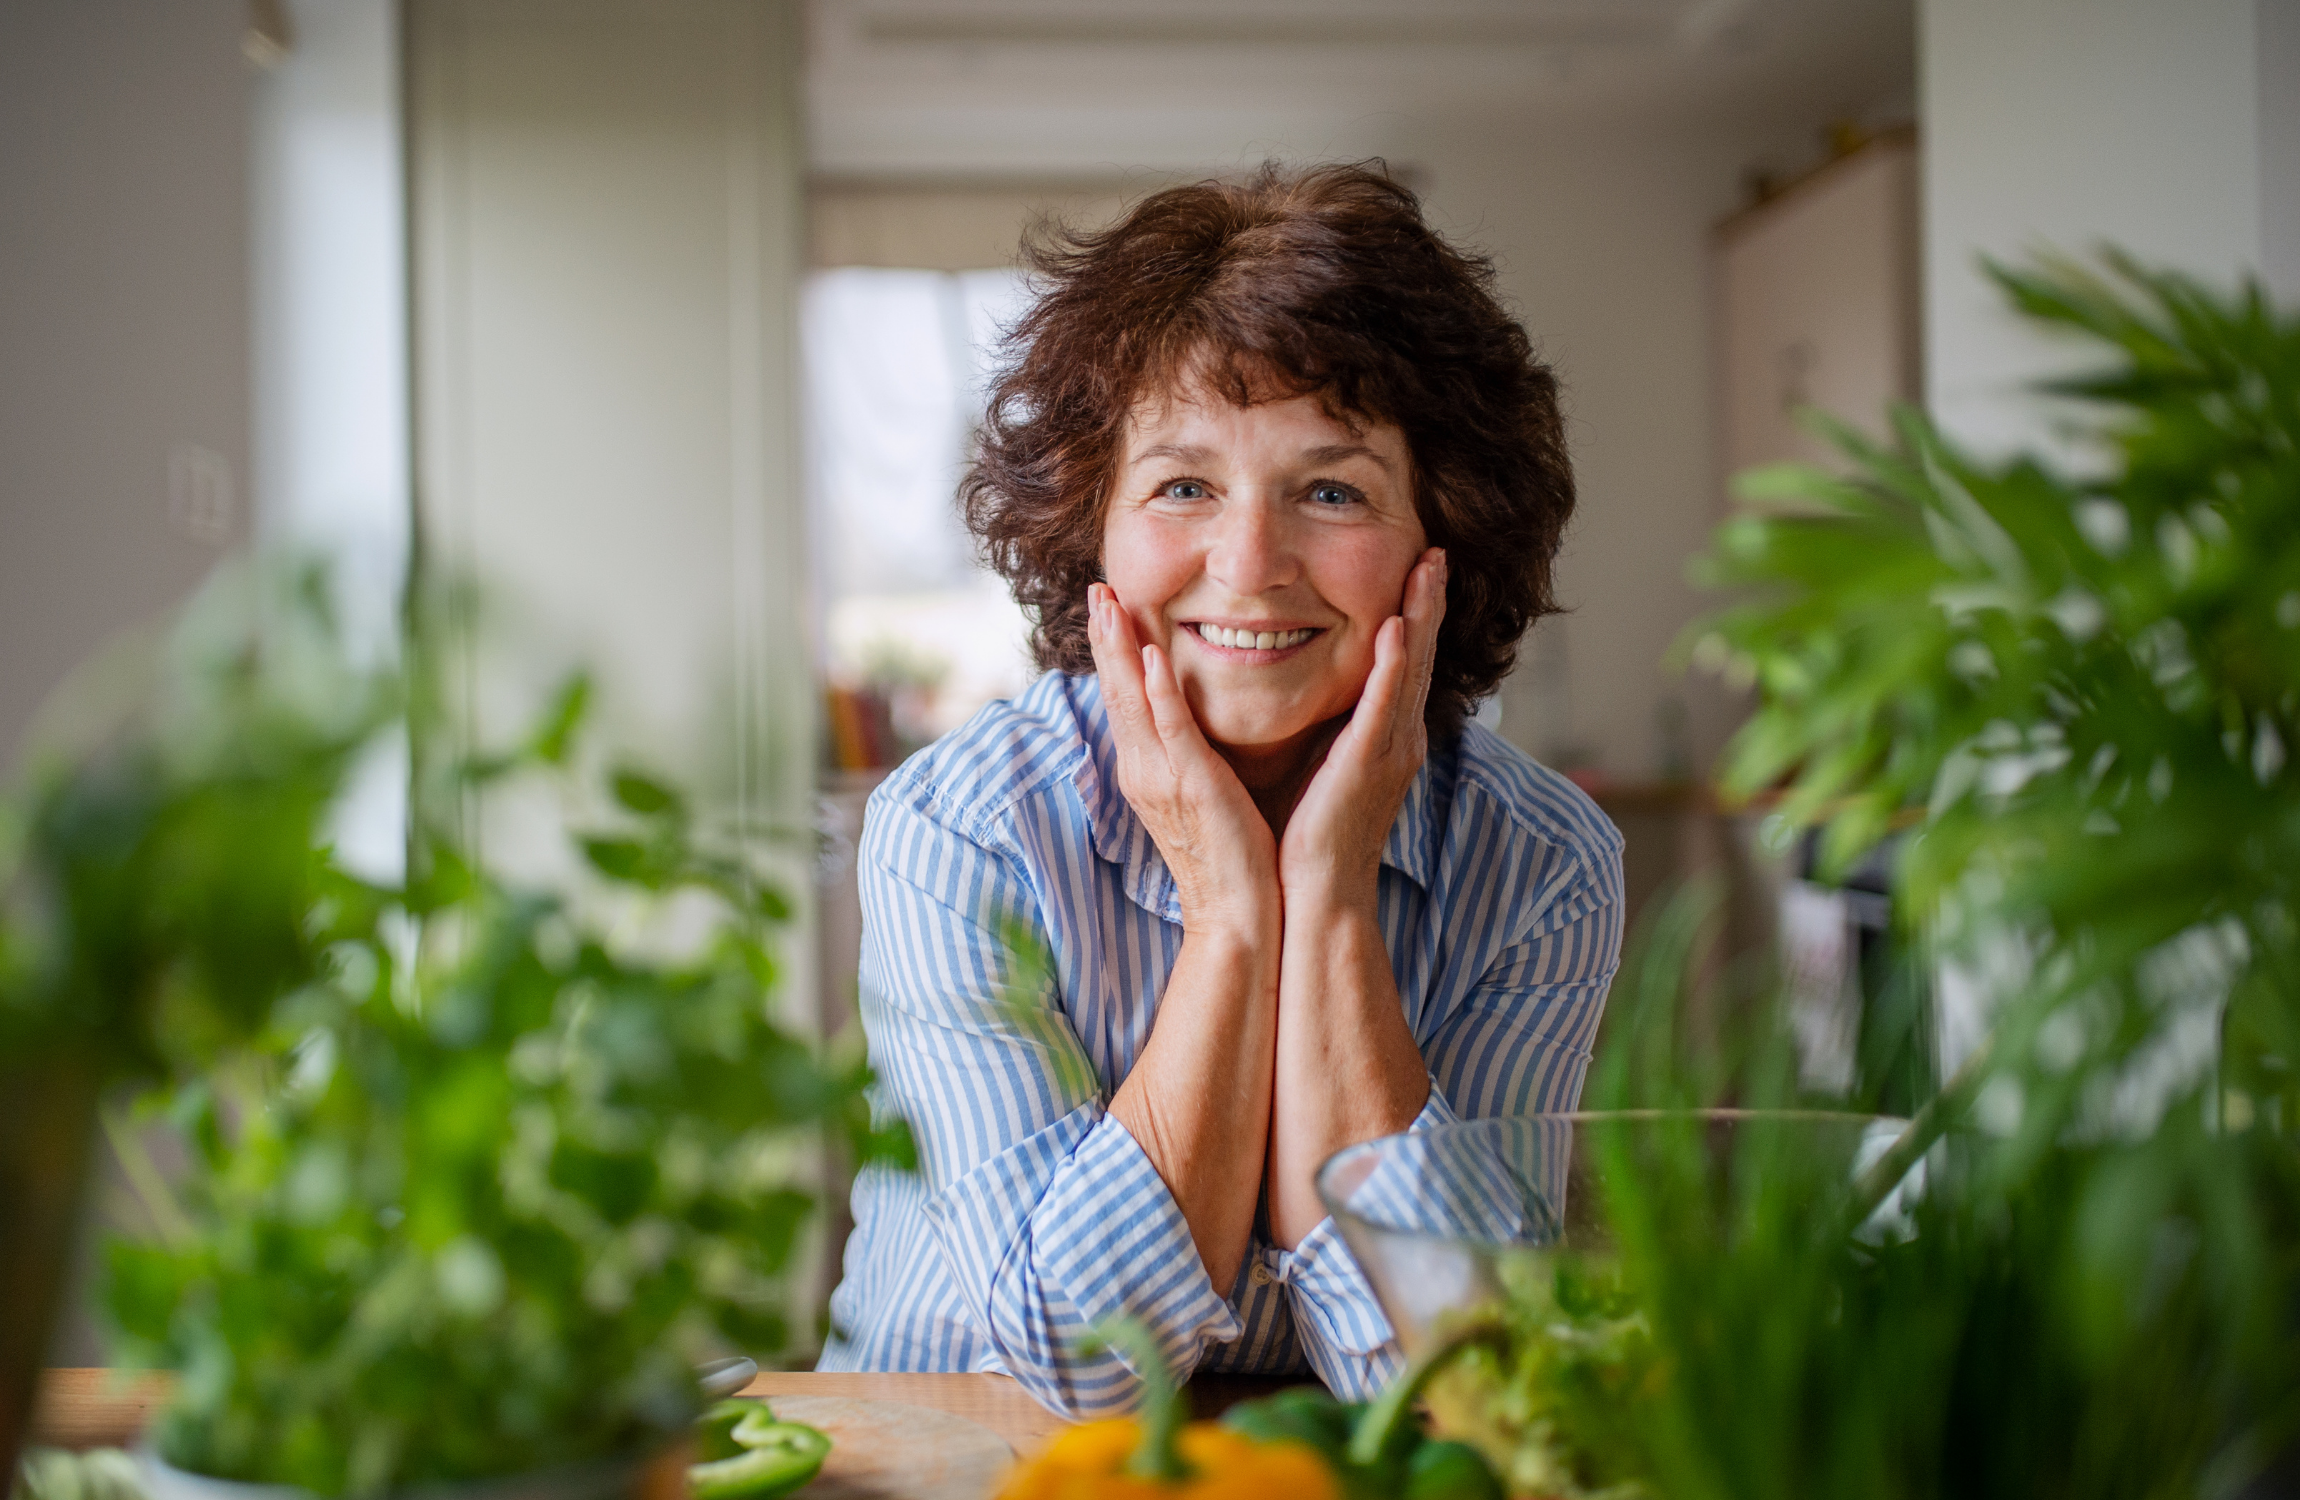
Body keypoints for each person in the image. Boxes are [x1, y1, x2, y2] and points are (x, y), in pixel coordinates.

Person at [817, 162, 1624, 1415]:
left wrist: (1333, 897)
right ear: (1094, 529)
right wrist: (1233, 917)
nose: (1247, 567)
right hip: (959, 1458)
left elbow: (1456, 1376)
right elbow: (1080, 1364)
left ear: (1440, 539)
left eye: (1331, 490)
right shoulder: (962, 830)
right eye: (1183, 485)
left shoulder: (1543, 861)